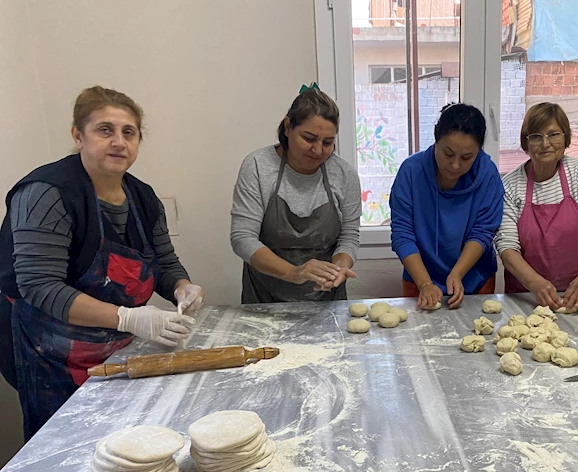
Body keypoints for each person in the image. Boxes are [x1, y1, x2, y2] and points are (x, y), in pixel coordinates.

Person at [0, 86, 203, 440]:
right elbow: (39, 286)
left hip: (113, 346)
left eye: (129, 132)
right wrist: (128, 317)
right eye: (104, 130)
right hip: (48, 350)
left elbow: (164, 263)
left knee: (122, 441)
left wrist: (182, 287)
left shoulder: (142, 197)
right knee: (70, 445)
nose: (118, 142)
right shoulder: (47, 192)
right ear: (78, 135)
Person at [231, 83, 361, 303]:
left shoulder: (344, 174)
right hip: (264, 300)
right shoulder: (258, 166)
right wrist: (294, 272)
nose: (318, 150)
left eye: (328, 142)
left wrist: (339, 267)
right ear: (288, 127)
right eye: (309, 138)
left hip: (326, 301)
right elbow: (243, 238)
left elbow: (349, 236)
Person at [495, 102, 578, 312]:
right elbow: (507, 248)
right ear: (526, 143)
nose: (545, 144)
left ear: (565, 137)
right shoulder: (511, 185)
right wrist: (536, 284)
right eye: (536, 136)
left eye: (553, 134)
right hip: (530, 297)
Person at [390, 103, 504, 310]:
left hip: (475, 279)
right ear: (435, 140)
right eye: (448, 154)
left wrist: (457, 273)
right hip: (420, 276)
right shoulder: (411, 172)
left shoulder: (488, 175)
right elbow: (402, 234)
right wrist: (425, 283)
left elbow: (483, 232)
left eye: (467, 157)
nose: (455, 165)